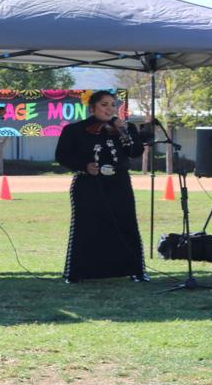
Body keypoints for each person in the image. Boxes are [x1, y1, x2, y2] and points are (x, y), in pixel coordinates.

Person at [55, 91, 150, 283]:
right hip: (88, 185)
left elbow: (135, 152)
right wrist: (84, 166)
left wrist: (123, 131)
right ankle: (78, 273)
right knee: (87, 226)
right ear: (92, 108)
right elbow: (62, 156)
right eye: (104, 104)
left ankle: (135, 271)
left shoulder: (126, 127)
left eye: (113, 105)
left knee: (126, 224)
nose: (110, 109)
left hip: (119, 184)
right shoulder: (75, 130)